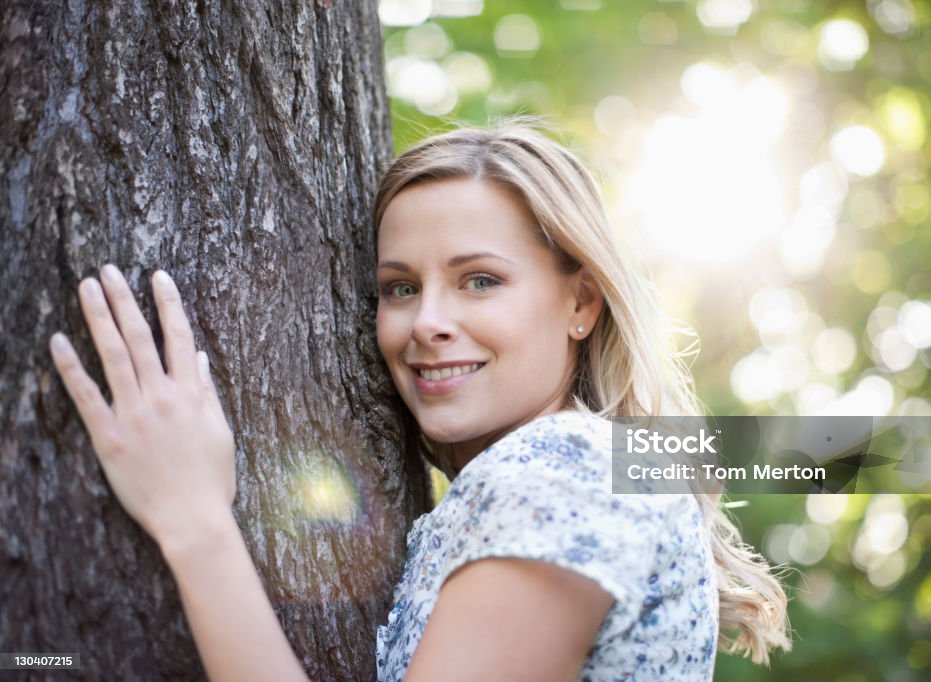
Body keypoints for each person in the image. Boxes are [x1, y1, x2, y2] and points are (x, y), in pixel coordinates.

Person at [49, 116, 790, 681]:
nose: (428, 323)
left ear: (582, 304)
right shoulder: (592, 468)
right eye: (400, 288)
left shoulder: (559, 470)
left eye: (479, 280)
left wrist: (194, 522)